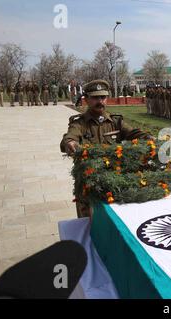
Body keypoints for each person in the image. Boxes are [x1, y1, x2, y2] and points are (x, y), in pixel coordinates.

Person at [60, 80, 153, 218]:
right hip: (89, 183)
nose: (100, 101)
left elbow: (133, 133)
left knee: (116, 220)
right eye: (95, 98)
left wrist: (149, 138)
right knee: (88, 225)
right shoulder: (79, 123)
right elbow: (69, 138)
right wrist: (70, 143)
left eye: (103, 97)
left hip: (114, 182)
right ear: (86, 99)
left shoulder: (116, 122)